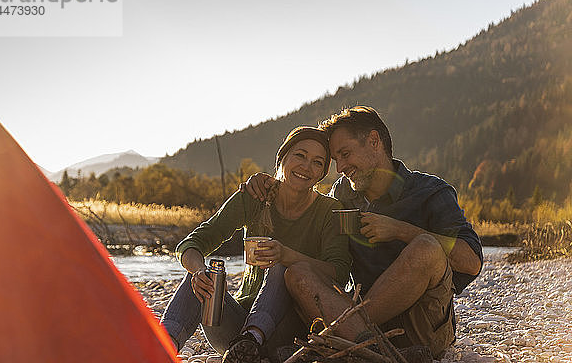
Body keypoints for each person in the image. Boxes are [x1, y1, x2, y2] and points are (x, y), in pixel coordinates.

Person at [245, 106, 483, 359]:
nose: (341, 167)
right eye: (337, 160)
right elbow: (303, 219)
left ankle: (343, 346)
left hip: (420, 329)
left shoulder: (430, 191)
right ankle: (375, 352)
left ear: (373, 141)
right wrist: (269, 187)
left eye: (346, 154)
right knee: (298, 273)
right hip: (354, 324)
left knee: (426, 247)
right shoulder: (341, 194)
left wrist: (400, 230)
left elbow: (471, 262)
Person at [161, 126, 351, 363]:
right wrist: (198, 271)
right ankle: (159, 347)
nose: (306, 167)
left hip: (291, 333)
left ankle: (251, 340)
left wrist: (286, 254)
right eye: (300, 155)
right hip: (234, 332)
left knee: (282, 267)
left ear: (323, 172)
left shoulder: (329, 211)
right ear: (282, 158)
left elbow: (340, 272)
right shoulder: (255, 197)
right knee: (202, 278)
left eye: (317, 162)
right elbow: (192, 243)